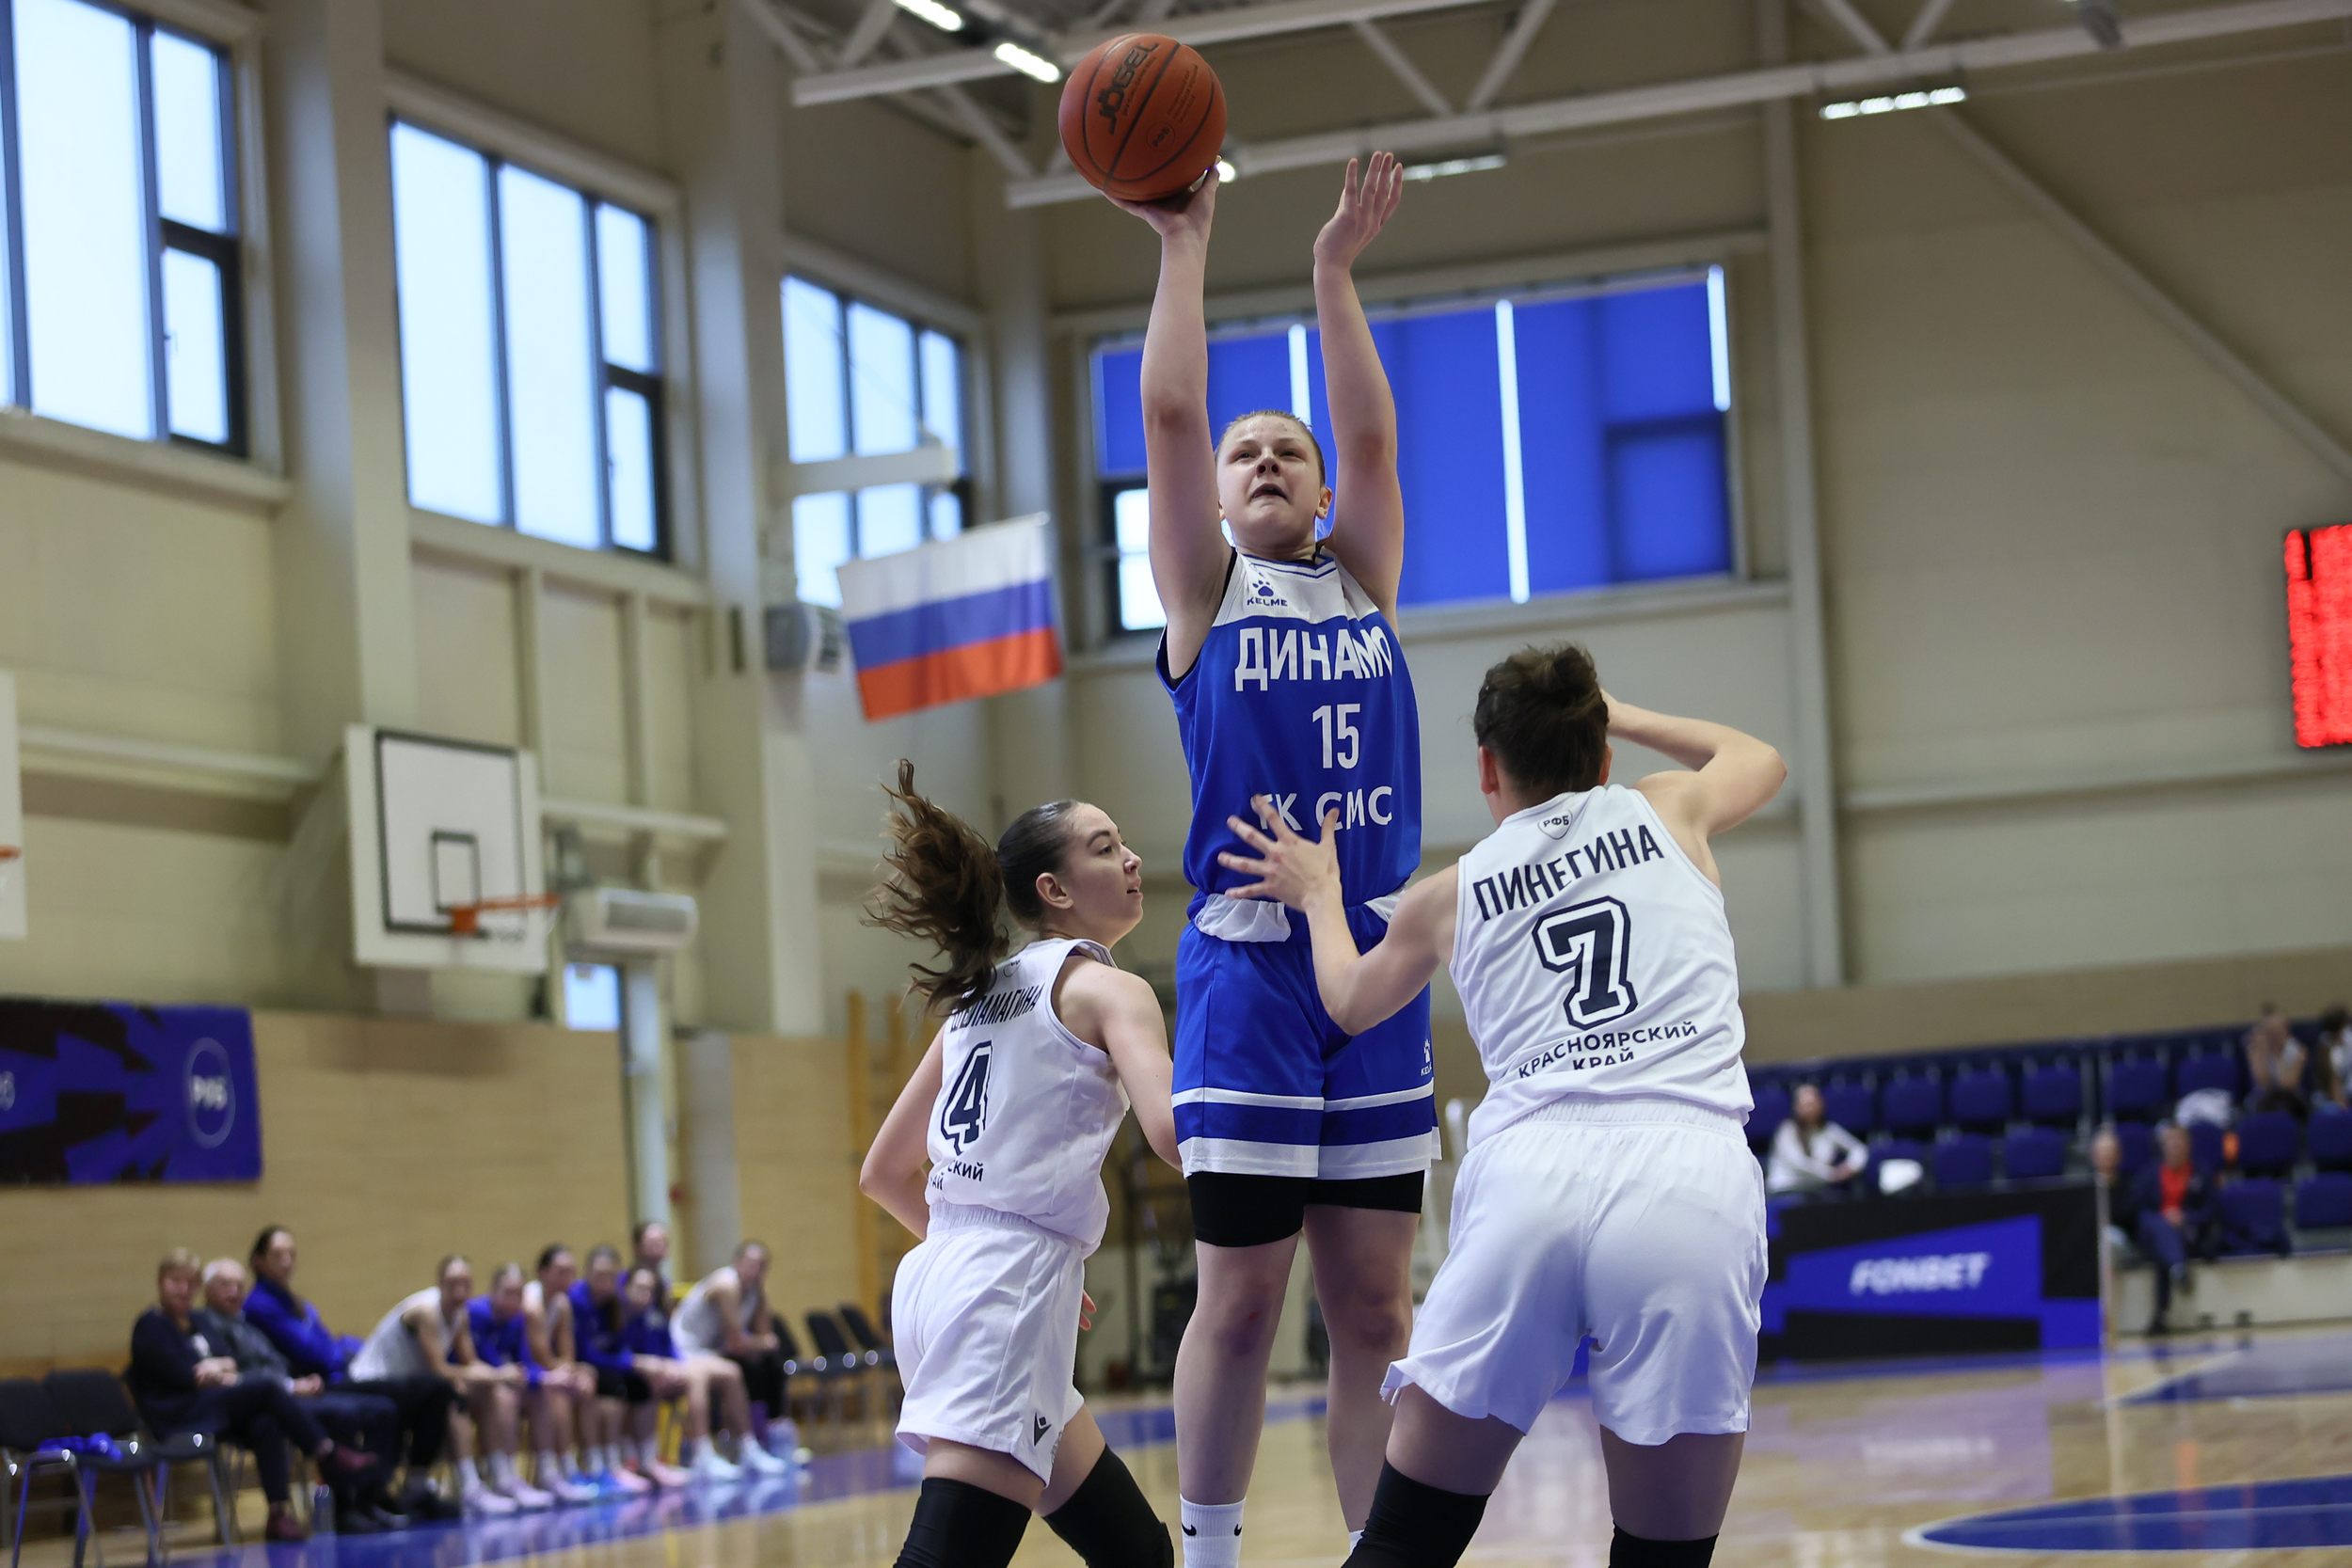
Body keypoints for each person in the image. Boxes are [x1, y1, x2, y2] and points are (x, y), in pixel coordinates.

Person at [1220, 646, 1785, 1568]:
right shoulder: (1667, 806)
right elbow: (1758, 755)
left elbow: (1349, 1001)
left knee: (1403, 1543)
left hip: (1530, 1179)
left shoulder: (1449, 893)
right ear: (1604, 754)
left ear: (1487, 766)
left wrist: (1321, 895)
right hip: (1687, 1176)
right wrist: (1617, 709)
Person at [1119, 150, 1435, 1560]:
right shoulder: (1203, 592)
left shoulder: (1362, 577)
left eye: (1284, 453)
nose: (1260, 461)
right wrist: (1183, 243)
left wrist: (1332, 271)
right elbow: (1170, 412)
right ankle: (1210, 1551)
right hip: (1249, 973)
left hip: (1372, 967)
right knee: (1242, 1300)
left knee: (1374, 1307)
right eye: (1245, 453)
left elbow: (1372, 439)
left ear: (1317, 494)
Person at [858, 761, 1181, 1568]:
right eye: (1104, 847)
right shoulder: (1108, 990)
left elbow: (883, 1172)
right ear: (1054, 889)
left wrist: (995, 1249)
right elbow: (1175, 1133)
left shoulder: (977, 997)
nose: (1132, 858)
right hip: (1002, 1289)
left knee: (1138, 1554)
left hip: (940, 1276)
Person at [128, 1251, 374, 1543]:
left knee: (265, 1421)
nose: (183, 1289)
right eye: (175, 1281)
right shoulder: (150, 1325)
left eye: (189, 1282)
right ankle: (325, 1450)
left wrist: (215, 1367)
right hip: (178, 1415)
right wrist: (211, 1370)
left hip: (214, 1405)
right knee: (265, 1387)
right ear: (160, 1282)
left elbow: (230, 1361)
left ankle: (278, 1514)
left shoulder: (198, 1321)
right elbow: (185, 1376)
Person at [243, 1226, 462, 1520]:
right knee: (425, 1391)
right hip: (314, 1386)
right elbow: (312, 1351)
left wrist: (343, 1349)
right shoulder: (260, 1304)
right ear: (258, 1261)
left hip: (335, 1378)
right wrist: (340, 1351)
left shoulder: (295, 1301)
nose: (287, 1261)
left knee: (424, 1394)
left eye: (291, 1254)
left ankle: (397, 1489)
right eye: (277, 1255)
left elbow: (326, 1342)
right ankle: (367, 1498)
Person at [196, 1259, 408, 1530]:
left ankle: (373, 1496)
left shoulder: (244, 1322)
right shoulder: (205, 1327)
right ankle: (345, 1508)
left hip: (288, 1392)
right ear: (207, 1289)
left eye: (239, 1285)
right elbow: (234, 1377)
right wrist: (291, 1386)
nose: (234, 1292)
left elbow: (276, 1363)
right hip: (264, 1404)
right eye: (226, 1285)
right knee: (343, 1414)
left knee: (382, 1409)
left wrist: (298, 1381)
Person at [347, 1255, 534, 1514]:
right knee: (449, 1392)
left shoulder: (460, 1314)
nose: (460, 1289)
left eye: (465, 1282)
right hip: (371, 1380)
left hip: (409, 1386)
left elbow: (470, 1363)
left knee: (484, 1391)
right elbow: (440, 1370)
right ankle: (467, 1485)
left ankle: (500, 1477)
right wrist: (500, 1375)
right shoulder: (426, 1311)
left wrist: (497, 1377)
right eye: (453, 1282)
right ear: (440, 1283)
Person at [470, 1262, 599, 1503]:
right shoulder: (477, 1313)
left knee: (542, 1394)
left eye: (518, 1294)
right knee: (504, 1397)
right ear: (492, 1290)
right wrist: (545, 1377)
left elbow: (527, 1362)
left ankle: (548, 1474)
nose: (513, 1300)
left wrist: (549, 1378)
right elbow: (489, 1361)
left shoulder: (520, 1318)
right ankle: (504, 1477)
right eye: (508, 1293)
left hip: (506, 1380)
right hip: (476, 1386)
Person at [527, 1243, 647, 1495]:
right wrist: (565, 1373)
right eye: (561, 1272)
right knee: (558, 1394)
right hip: (528, 1370)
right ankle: (555, 1472)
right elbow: (540, 1355)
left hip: (547, 1370)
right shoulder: (532, 1303)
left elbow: (567, 1353)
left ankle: (596, 1466)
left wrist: (573, 1371)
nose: (567, 1279)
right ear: (542, 1272)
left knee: (587, 1383)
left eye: (570, 1272)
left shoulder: (561, 1303)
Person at [672, 1242, 802, 1466]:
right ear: (737, 1263)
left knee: (770, 1364)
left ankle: (770, 1431)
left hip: (714, 1352)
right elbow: (738, 1343)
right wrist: (763, 1343)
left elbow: (765, 1336)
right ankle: (717, 1448)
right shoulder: (726, 1285)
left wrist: (762, 1304)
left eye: (760, 1266)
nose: (754, 1271)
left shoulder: (756, 1293)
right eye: (750, 1264)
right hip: (687, 1350)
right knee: (736, 1370)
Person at [571, 1248, 692, 1488]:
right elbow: (588, 1352)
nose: (604, 1282)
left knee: (645, 1385)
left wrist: (665, 1365)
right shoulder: (578, 1301)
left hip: (612, 1366)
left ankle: (647, 1460)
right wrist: (633, 1362)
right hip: (588, 1367)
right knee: (615, 1391)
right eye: (599, 1275)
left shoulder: (619, 1306)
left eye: (609, 1277)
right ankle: (609, 1465)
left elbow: (630, 1346)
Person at [2131, 1123, 2219, 1336]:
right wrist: (2164, 1219)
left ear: (2188, 1145)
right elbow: (2137, 1209)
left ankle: (2160, 1316)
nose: (2175, 1145)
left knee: (2164, 1247)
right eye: (2171, 1141)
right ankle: (2178, 1268)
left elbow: (2211, 1210)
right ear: (2163, 1145)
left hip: (2188, 1235)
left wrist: (2185, 1217)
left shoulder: (2202, 1173)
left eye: (2179, 1140)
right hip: (2153, 1235)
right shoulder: (2149, 1175)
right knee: (2157, 1226)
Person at [1764, 1085, 1869, 1198]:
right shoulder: (1786, 1131)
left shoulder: (1830, 1130)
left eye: (1813, 1104)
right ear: (1796, 1108)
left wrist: (1851, 1167)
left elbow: (1860, 1149)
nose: (1810, 1109)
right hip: (1785, 1189)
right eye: (1805, 1105)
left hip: (1817, 1190)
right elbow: (1799, 1164)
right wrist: (1832, 1174)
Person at [2243, 1004, 2309, 1117]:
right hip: (2264, 1096)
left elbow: (2288, 1084)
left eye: (2277, 1031)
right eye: (2270, 1032)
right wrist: (2263, 1052)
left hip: (2290, 1096)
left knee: (2286, 1104)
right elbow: (2262, 1081)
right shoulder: (2257, 1050)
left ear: (2286, 1031)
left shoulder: (2298, 1051)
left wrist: (2279, 1055)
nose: (2274, 1036)